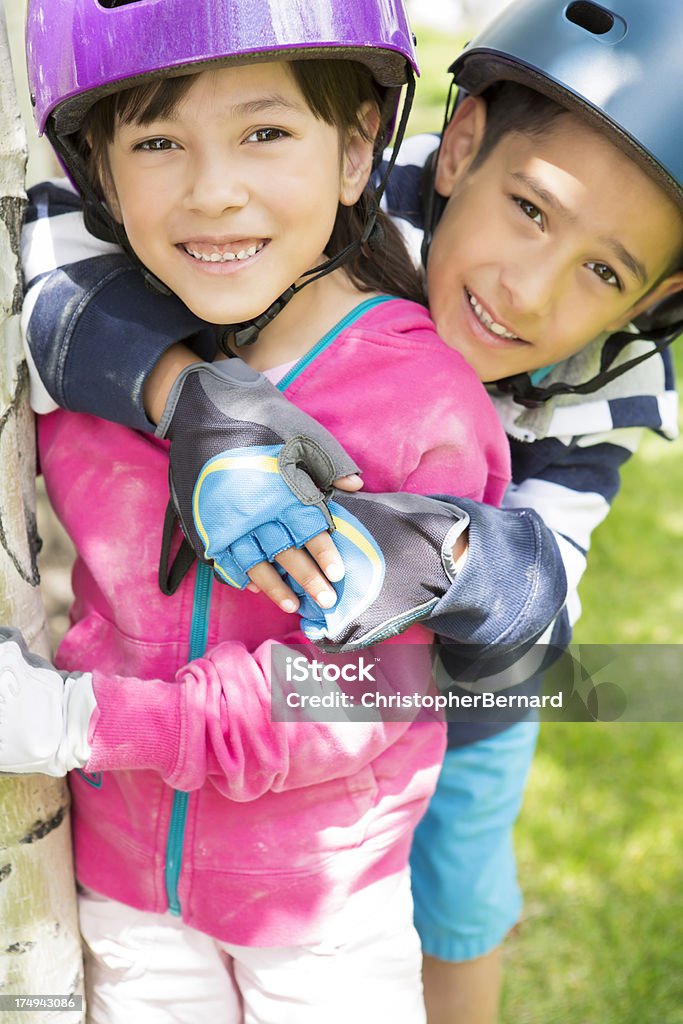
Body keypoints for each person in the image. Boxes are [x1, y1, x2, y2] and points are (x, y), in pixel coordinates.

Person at [18, 1, 683, 1023]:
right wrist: (188, 392)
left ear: (648, 298)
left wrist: (418, 548)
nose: (526, 288)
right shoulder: (338, 194)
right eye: (528, 211)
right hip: (226, 758)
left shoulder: (592, 385)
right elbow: (61, 274)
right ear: (458, 147)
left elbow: (532, 606)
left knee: (454, 894)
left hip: (462, 691)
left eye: (602, 272)